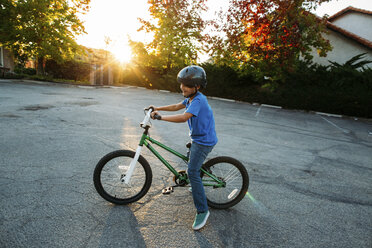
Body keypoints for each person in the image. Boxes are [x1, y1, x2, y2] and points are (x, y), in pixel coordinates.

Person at [149, 65, 218, 231]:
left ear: (197, 87)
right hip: (197, 138)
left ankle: (202, 210)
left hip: (204, 142)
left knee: (192, 172)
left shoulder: (199, 100)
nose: (182, 87)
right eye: (182, 84)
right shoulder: (191, 98)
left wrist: (160, 117)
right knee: (192, 166)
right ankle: (195, 184)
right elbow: (176, 106)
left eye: (186, 85)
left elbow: (183, 117)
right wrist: (157, 108)